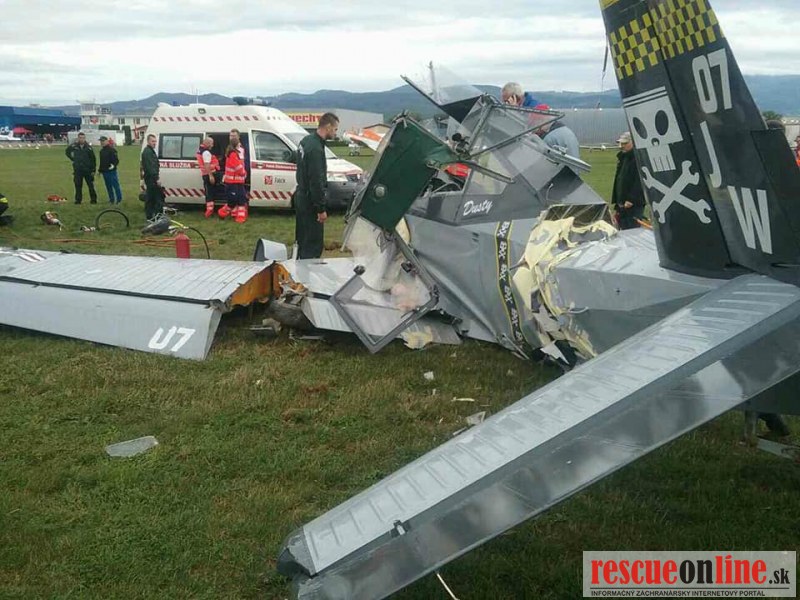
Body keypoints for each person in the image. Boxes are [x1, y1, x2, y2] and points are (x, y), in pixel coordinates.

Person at [295, 112, 339, 259]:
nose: (335, 133)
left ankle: (300, 265)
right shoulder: (316, 149)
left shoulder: (306, 141)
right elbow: (316, 181)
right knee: (312, 245)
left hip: (301, 196)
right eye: (335, 129)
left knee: (302, 240)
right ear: (328, 127)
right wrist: (320, 209)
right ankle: (308, 270)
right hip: (310, 202)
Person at [611, 132, 646, 230]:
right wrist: (617, 203)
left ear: (633, 142)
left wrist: (631, 199)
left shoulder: (639, 159)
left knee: (632, 230)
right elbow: (619, 180)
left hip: (633, 204)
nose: (621, 146)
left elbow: (640, 181)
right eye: (621, 143)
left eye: (625, 143)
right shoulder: (623, 158)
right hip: (621, 204)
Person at [218, 129, 248, 223]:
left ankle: (240, 217)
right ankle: (222, 213)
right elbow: (237, 166)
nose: (232, 137)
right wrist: (244, 173)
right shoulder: (231, 152)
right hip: (232, 180)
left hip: (239, 179)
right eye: (231, 136)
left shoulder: (241, 149)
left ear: (239, 137)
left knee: (242, 198)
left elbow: (242, 163)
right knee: (233, 200)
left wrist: (243, 173)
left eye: (234, 136)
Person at [65, 132, 97, 204]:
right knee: (78, 186)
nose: (81, 139)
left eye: (83, 138)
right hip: (78, 170)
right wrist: (72, 158)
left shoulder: (89, 147)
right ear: (78, 138)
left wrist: (93, 170)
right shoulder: (74, 146)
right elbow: (67, 152)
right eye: (80, 138)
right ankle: (78, 200)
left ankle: (93, 200)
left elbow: (93, 159)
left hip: (87, 169)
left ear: (85, 138)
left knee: (90, 186)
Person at [196, 137, 221, 218]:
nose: (212, 145)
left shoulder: (201, 151)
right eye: (211, 143)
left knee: (210, 192)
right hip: (209, 174)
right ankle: (209, 212)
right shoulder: (206, 152)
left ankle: (210, 210)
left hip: (206, 174)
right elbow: (207, 165)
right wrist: (211, 176)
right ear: (206, 143)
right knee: (210, 193)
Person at [140, 134, 162, 220]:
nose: (154, 143)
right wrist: (156, 179)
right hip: (151, 179)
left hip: (151, 178)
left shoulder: (150, 151)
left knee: (152, 198)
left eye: (155, 141)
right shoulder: (147, 152)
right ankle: (153, 217)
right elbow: (151, 167)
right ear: (148, 141)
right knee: (154, 199)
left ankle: (153, 216)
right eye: (153, 141)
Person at [98, 136, 122, 204]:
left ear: (107, 141)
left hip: (111, 171)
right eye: (101, 141)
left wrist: (113, 165)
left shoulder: (112, 150)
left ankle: (119, 199)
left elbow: (116, 160)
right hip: (105, 172)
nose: (102, 142)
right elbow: (101, 162)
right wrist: (100, 170)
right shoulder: (101, 151)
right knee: (108, 186)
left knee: (115, 186)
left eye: (103, 141)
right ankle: (111, 199)